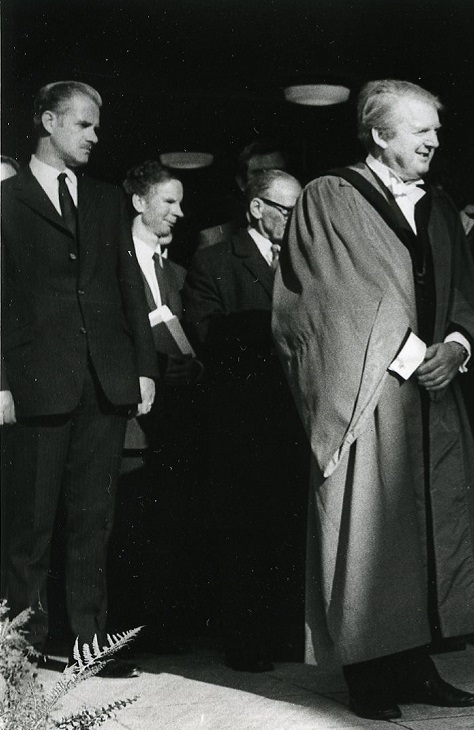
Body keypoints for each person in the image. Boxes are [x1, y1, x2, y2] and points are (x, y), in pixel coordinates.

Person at [272, 79, 474, 721]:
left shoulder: (437, 204)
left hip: (433, 393)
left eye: (435, 128)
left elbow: (462, 292)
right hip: (370, 394)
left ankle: (414, 663)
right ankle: (368, 672)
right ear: (379, 135)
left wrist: (456, 349)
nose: (434, 140)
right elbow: (334, 301)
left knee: (427, 531)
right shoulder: (330, 197)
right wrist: (411, 358)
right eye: (420, 128)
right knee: (371, 531)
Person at [0, 81, 156, 679]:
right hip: (36, 384)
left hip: (105, 384)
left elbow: (128, 287)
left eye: (96, 125)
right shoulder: (7, 200)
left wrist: (142, 367)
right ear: (48, 122)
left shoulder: (107, 199)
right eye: (84, 125)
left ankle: (89, 645)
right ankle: (20, 650)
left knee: (94, 521)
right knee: (29, 527)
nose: (95, 136)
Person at [183, 168, 309, 672]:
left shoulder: (307, 262)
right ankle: (246, 641)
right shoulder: (215, 260)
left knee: (288, 528)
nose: (296, 220)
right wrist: (277, 333)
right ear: (257, 208)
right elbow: (206, 333)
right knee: (244, 532)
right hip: (244, 423)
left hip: (297, 417)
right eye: (288, 209)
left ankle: (284, 636)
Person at [109, 161, 203, 653]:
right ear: (139, 201)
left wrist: (189, 367)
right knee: (121, 527)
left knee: (159, 528)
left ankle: (153, 631)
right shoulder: (105, 260)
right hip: (123, 422)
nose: (179, 212)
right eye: (169, 201)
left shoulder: (181, 274)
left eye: (181, 202)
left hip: (169, 423)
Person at [196, 138, 290, 250]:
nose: (271, 182)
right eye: (260, 174)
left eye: (278, 173)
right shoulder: (215, 241)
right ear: (242, 183)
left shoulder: (305, 233)